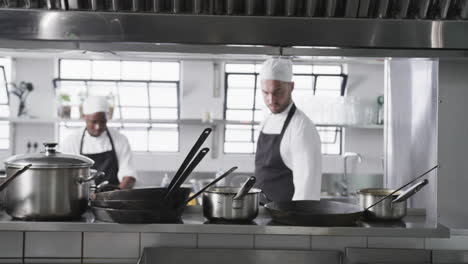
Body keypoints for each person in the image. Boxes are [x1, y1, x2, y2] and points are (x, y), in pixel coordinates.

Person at [255, 57, 322, 202]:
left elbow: (307, 188)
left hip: (285, 218)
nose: (271, 100)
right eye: (265, 93)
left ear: (291, 87)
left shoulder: (301, 128)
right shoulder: (267, 120)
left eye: (277, 92)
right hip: (261, 215)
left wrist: (295, 223)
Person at [61, 96, 137, 189]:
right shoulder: (71, 141)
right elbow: (66, 176)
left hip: (113, 198)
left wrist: (116, 194)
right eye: (94, 122)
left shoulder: (120, 139)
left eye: (102, 122)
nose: (98, 126)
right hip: (81, 197)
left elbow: (129, 175)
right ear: (84, 117)